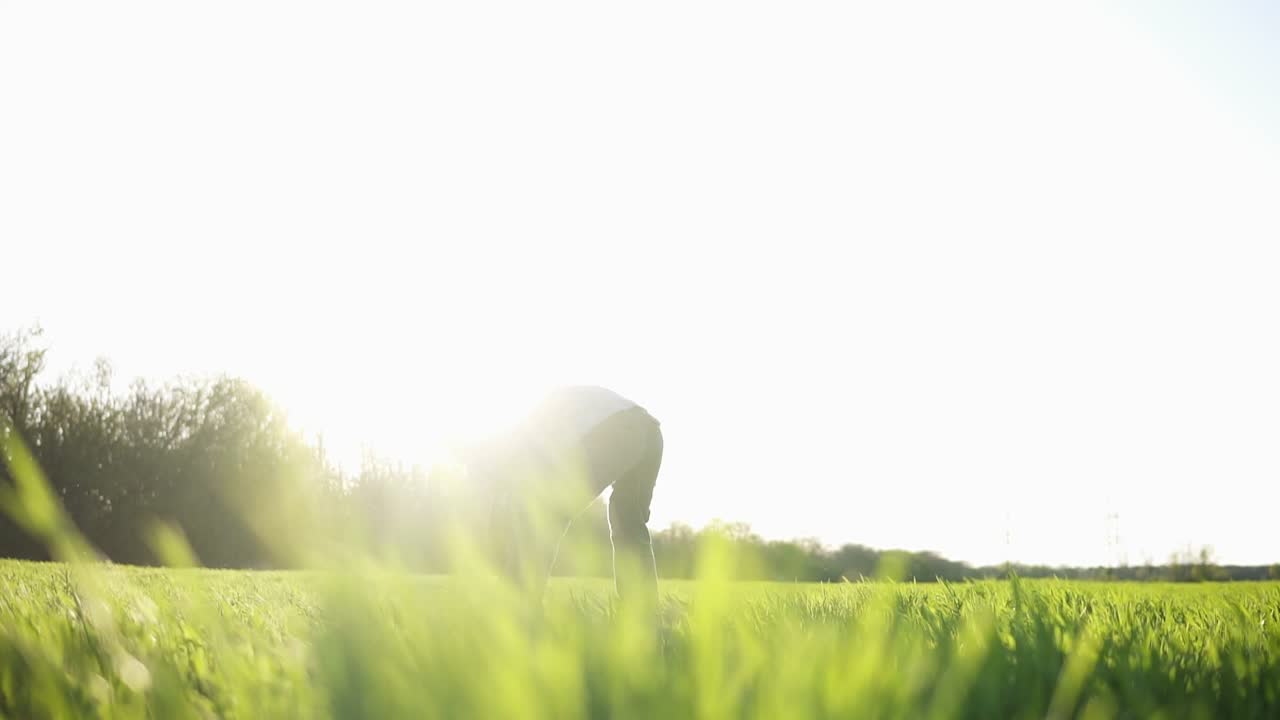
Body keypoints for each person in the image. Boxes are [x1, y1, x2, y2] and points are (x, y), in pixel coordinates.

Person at [465, 386, 663, 612]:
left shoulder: (521, 441)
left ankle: (517, 605)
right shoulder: (534, 427)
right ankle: (644, 616)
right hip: (651, 433)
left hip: (617, 430)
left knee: (546, 514)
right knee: (628, 523)